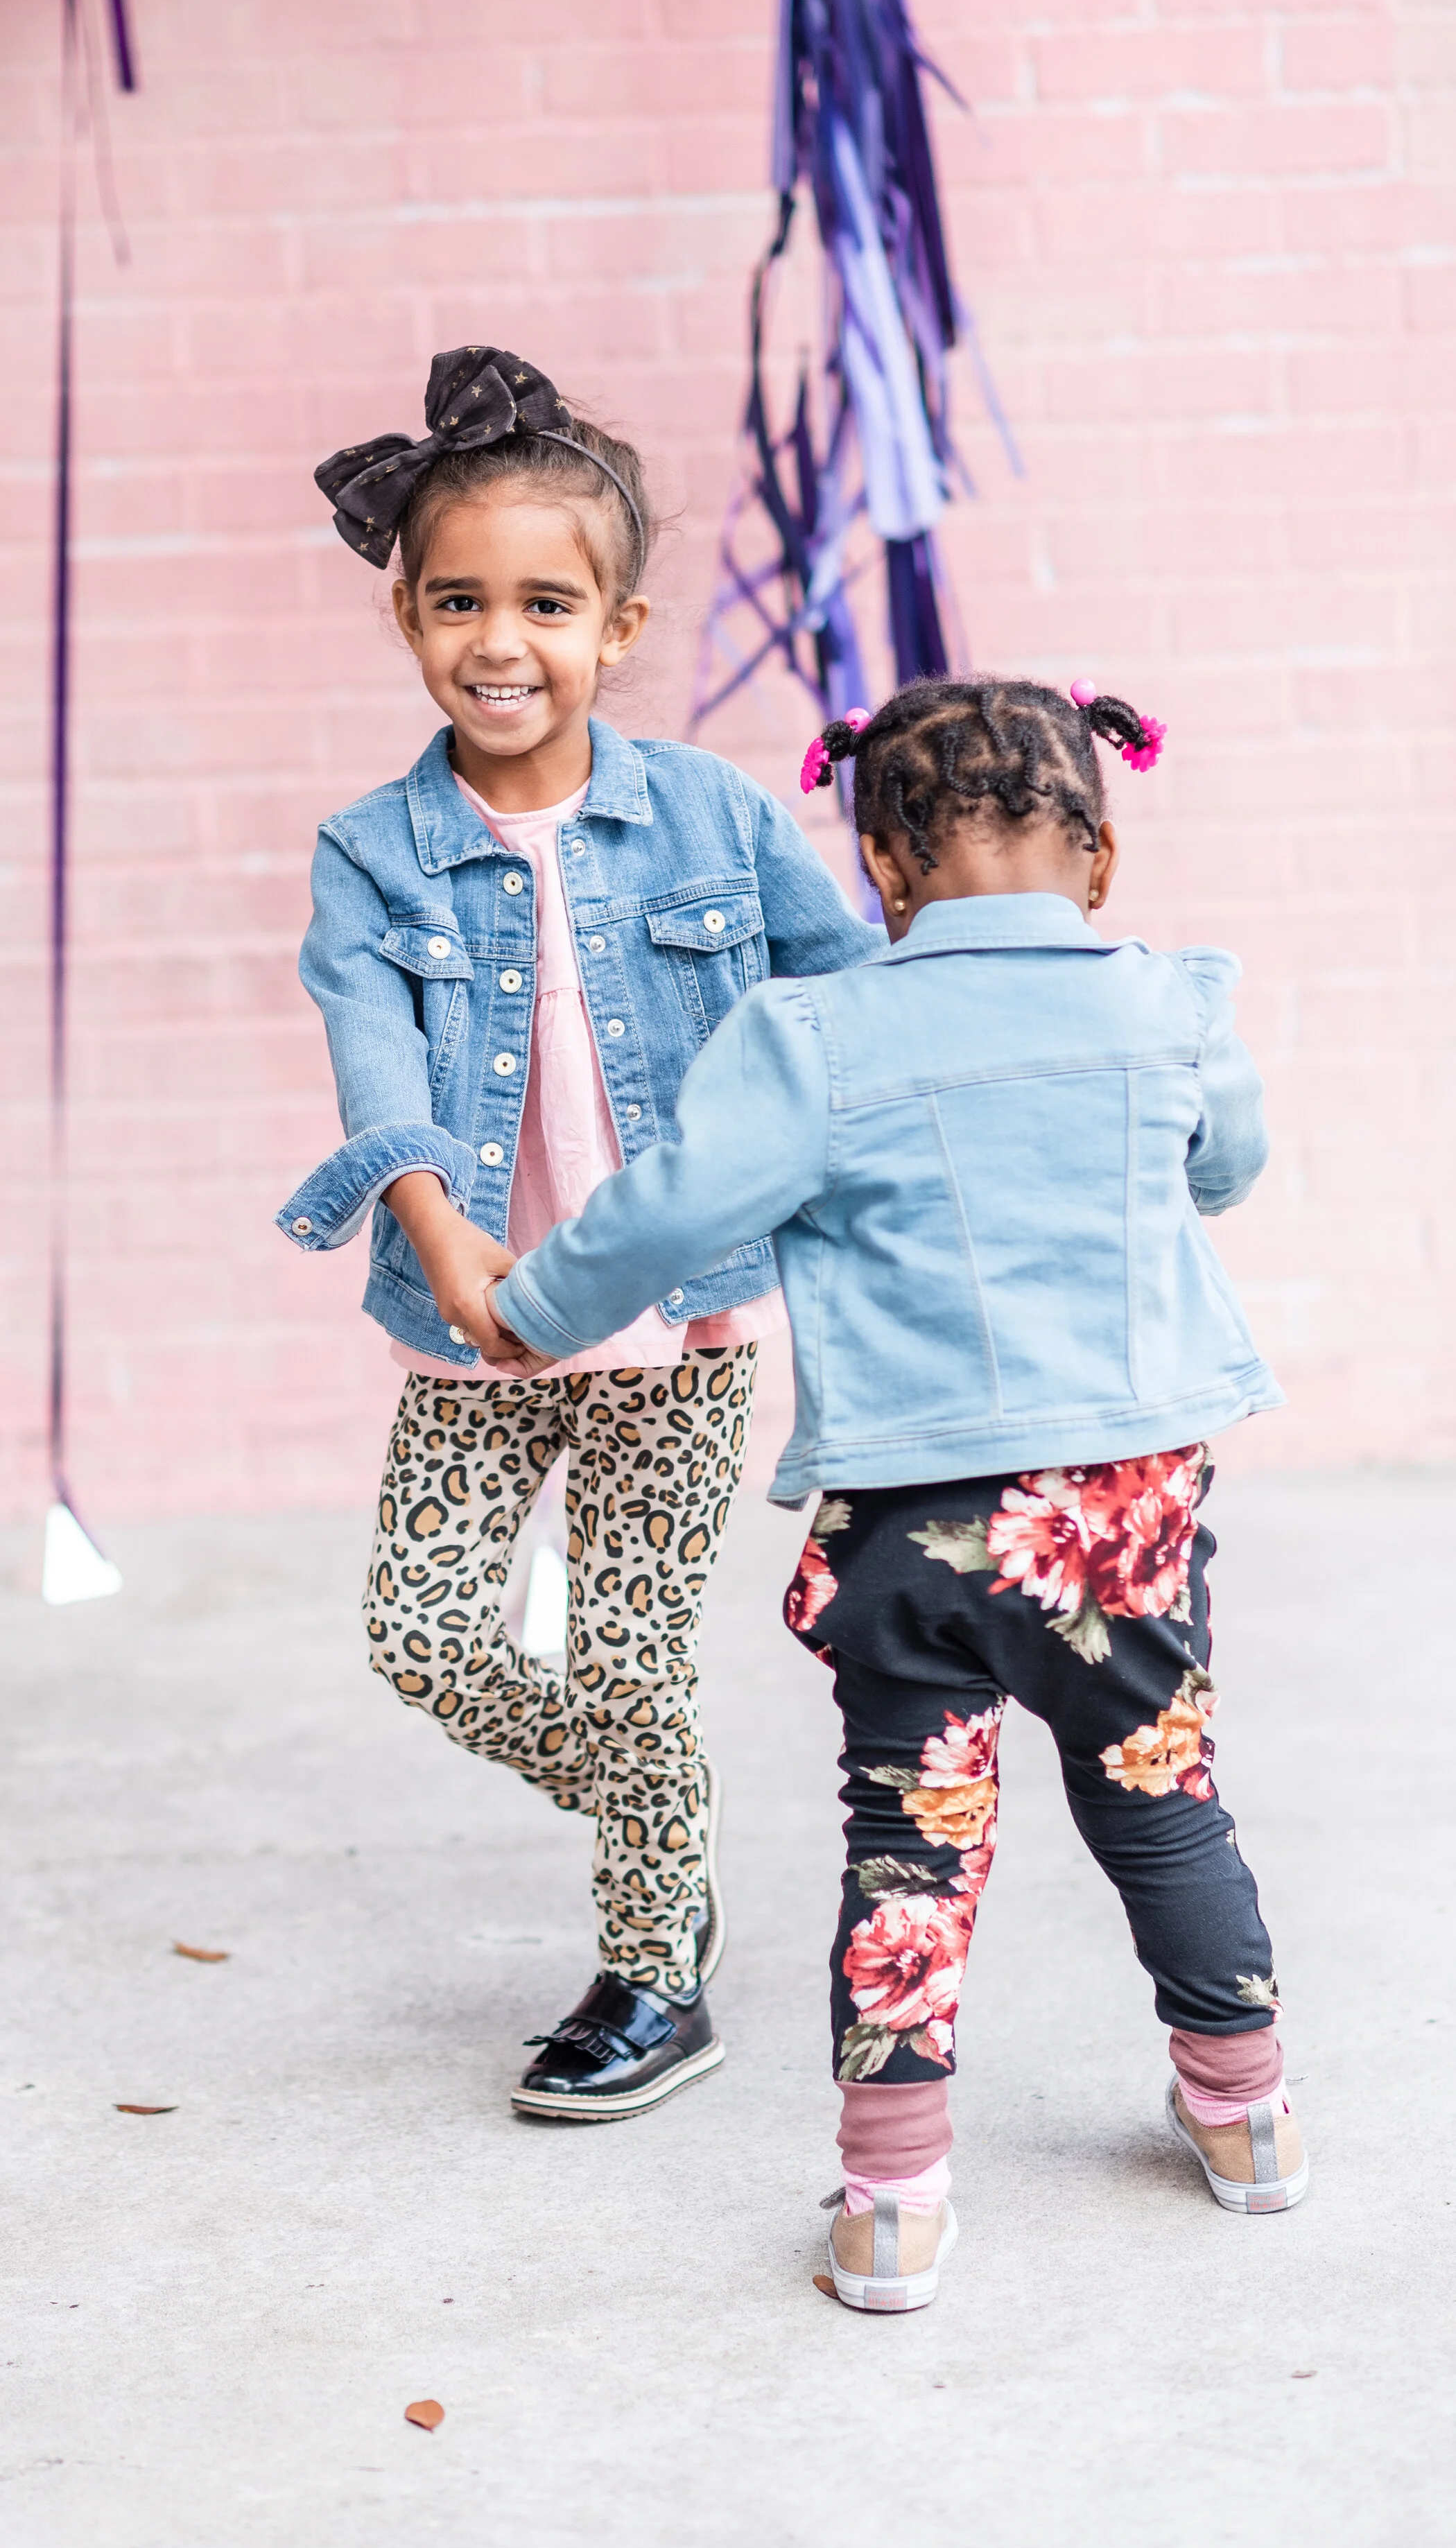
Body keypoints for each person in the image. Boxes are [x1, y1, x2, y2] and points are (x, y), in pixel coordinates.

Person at [487, 674, 1307, 2307]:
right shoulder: (1167, 1002)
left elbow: (672, 1209)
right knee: (1158, 1799)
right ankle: (1244, 2119)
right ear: (1099, 855)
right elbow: (1221, 1170)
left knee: (906, 1840)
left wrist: (534, 1311)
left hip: (909, 1522)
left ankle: (891, 2199)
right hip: (1116, 1520)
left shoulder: (814, 1033)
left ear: (879, 865)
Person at [278, 346, 885, 2120]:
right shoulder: (371, 850)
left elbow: (841, 1001)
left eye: (545, 603)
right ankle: (665, 1830)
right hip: (467, 1312)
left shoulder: (711, 814)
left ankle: (649, 1967)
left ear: (616, 628)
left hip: (676, 1322)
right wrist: (440, 1236)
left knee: (628, 1651)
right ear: (404, 613)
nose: (498, 640)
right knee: (428, 1635)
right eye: (458, 598)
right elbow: (368, 1042)